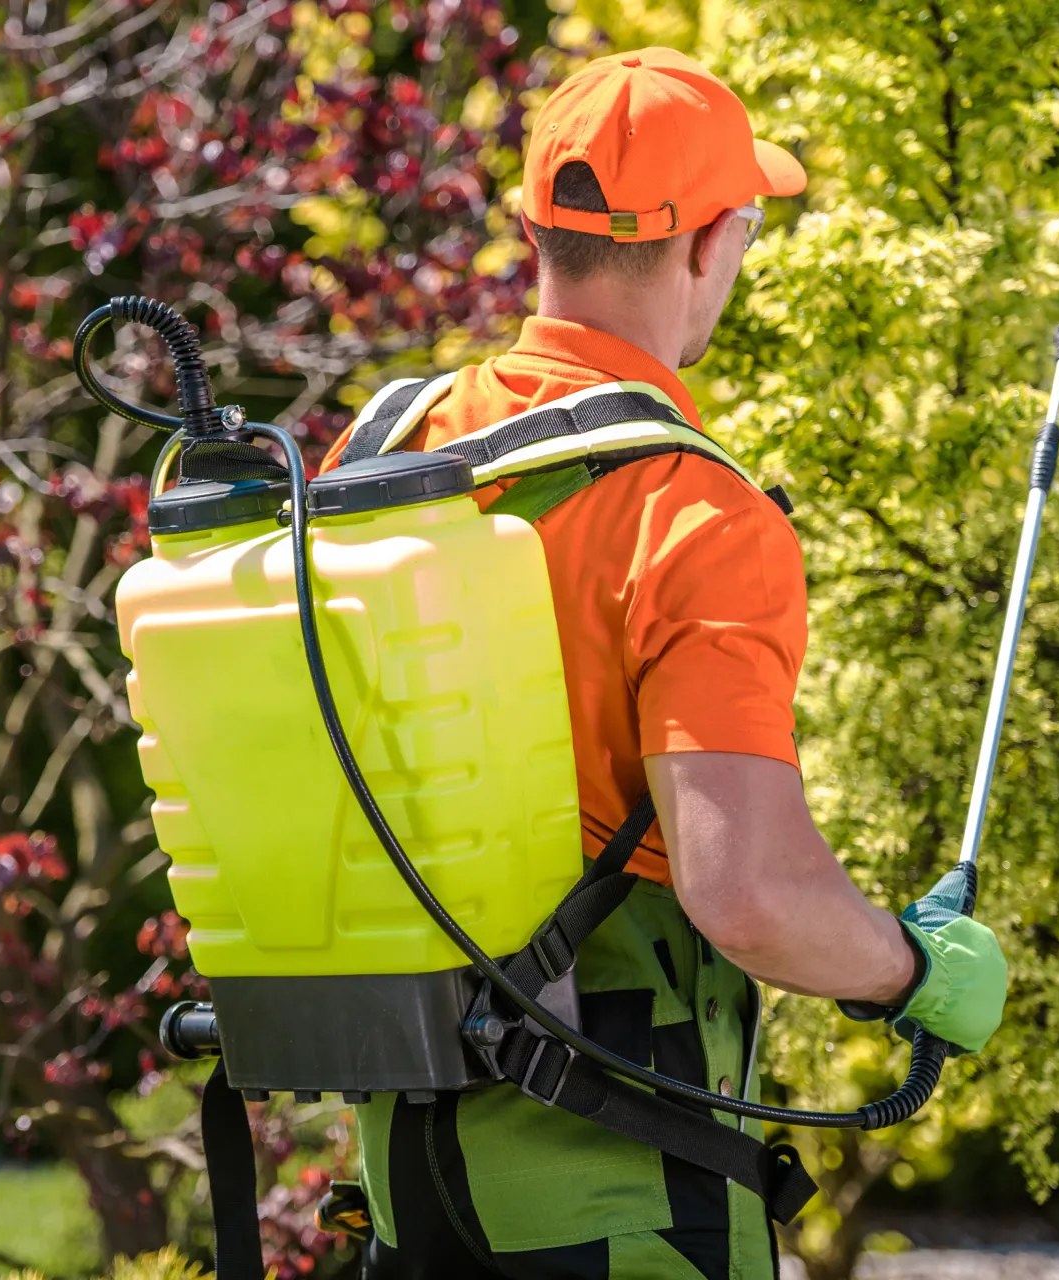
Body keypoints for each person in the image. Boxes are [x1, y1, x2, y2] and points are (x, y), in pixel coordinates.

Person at [324, 47, 1010, 1280]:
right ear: (712, 241)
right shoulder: (693, 515)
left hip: (404, 1173)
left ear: (537, 227)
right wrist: (911, 970)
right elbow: (746, 890)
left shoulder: (384, 449)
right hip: (619, 1189)